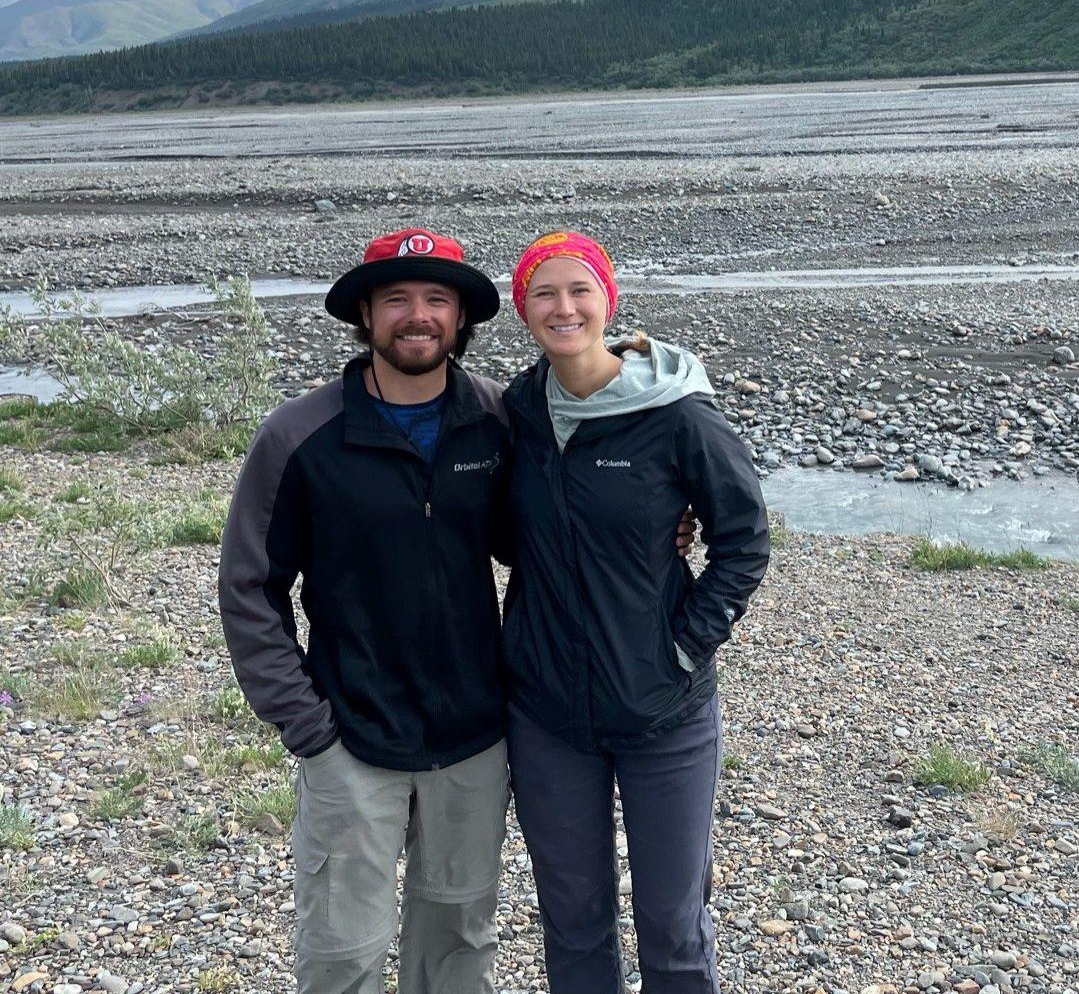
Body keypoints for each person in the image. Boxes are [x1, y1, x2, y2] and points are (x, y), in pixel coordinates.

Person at [218, 227, 514, 994]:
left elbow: (549, 535)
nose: (418, 316)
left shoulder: (498, 421)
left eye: (436, 299)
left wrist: (668, 515)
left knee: (458, 944)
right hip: (348, 738)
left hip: (474, 738)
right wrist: (307, 727)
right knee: (342, 952)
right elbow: (249, 587)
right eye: (396, 299)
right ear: (365, 315)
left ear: (460, 317)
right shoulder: (299, 435)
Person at [500, 229, 771, 994]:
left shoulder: (679, 414)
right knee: (573, 920)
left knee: (672, 925)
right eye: (544, 293)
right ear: (523, 308)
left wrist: (682, 646)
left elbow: (744, 540)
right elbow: (500, 531)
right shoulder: (516, 413)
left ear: (607, 300)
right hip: (548, 714)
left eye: (579, 290)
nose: (564, 307)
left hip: (664, 711)